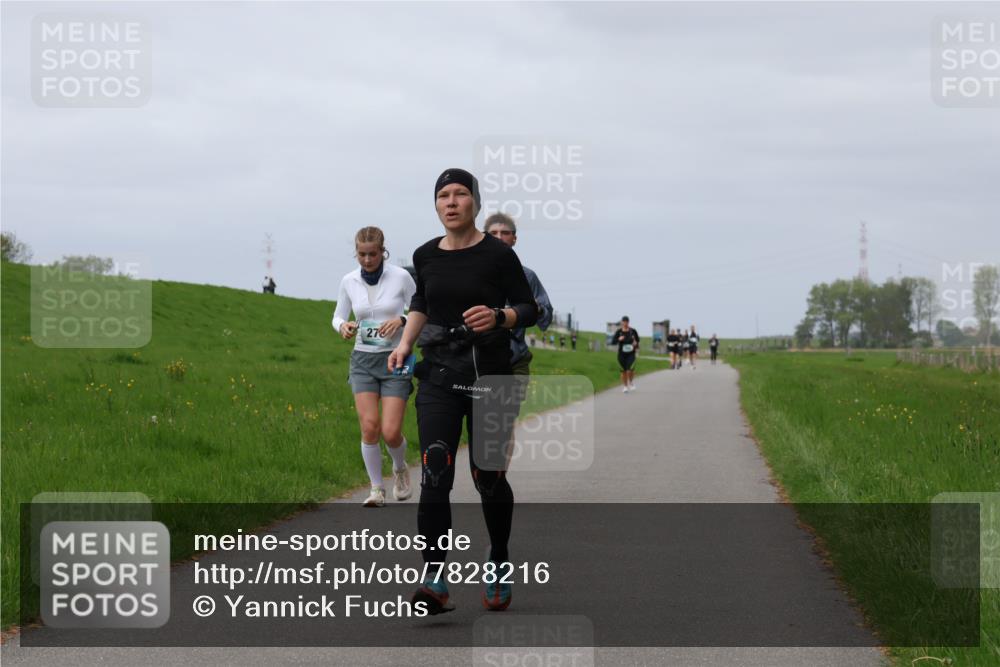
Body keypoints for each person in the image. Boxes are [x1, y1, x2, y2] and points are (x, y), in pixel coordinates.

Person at [387, 168, 538, 614]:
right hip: (438, 375)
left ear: (474, 201)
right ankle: (435, 577)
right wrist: (405, 343)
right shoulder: (424, 255)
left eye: (459, 195)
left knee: (487, 477)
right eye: (442, 196)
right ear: (436, 205)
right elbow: (422, 302)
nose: (451, 202)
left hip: (490, 376)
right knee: (435, 468)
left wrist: (500, 317)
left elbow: (527, 306)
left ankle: (498, 561)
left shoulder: (497, 255)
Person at [332, 227, 416, 508]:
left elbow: (419, 308)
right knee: (369, 427)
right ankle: (376, 489)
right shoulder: (349, 280)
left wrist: (402, 320)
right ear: (356, 253)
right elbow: (338, 316)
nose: (367, 260)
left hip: (396, 358)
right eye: (362, 255)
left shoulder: (401, 277)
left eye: (373, 254)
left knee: (391, 432)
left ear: (383, 252)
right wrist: (343, 326)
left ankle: (400, 469)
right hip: (363, 360)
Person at [483, 212, 554, 379]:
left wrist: (538, 309)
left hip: (515, 358)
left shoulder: (528, 277)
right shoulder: (468, 272)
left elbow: (546, 318)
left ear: (514, 239)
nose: (499, 237)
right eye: (493, 233)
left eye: (505, 233)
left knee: (509, 405)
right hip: (478, 357)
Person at [611, 316, 640, 392]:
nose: (625, 323)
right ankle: (625, 386)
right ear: (622, 322)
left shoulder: (633, 331)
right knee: (623, 371)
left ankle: (631, 382)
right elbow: (613, 342)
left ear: (628, 322)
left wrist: (635, 344)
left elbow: (637, 342)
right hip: (621, 354)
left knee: (630, 370)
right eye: (623, 321)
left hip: (631, 354)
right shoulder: (619, 332)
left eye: (626, 321)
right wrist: (618, 339)